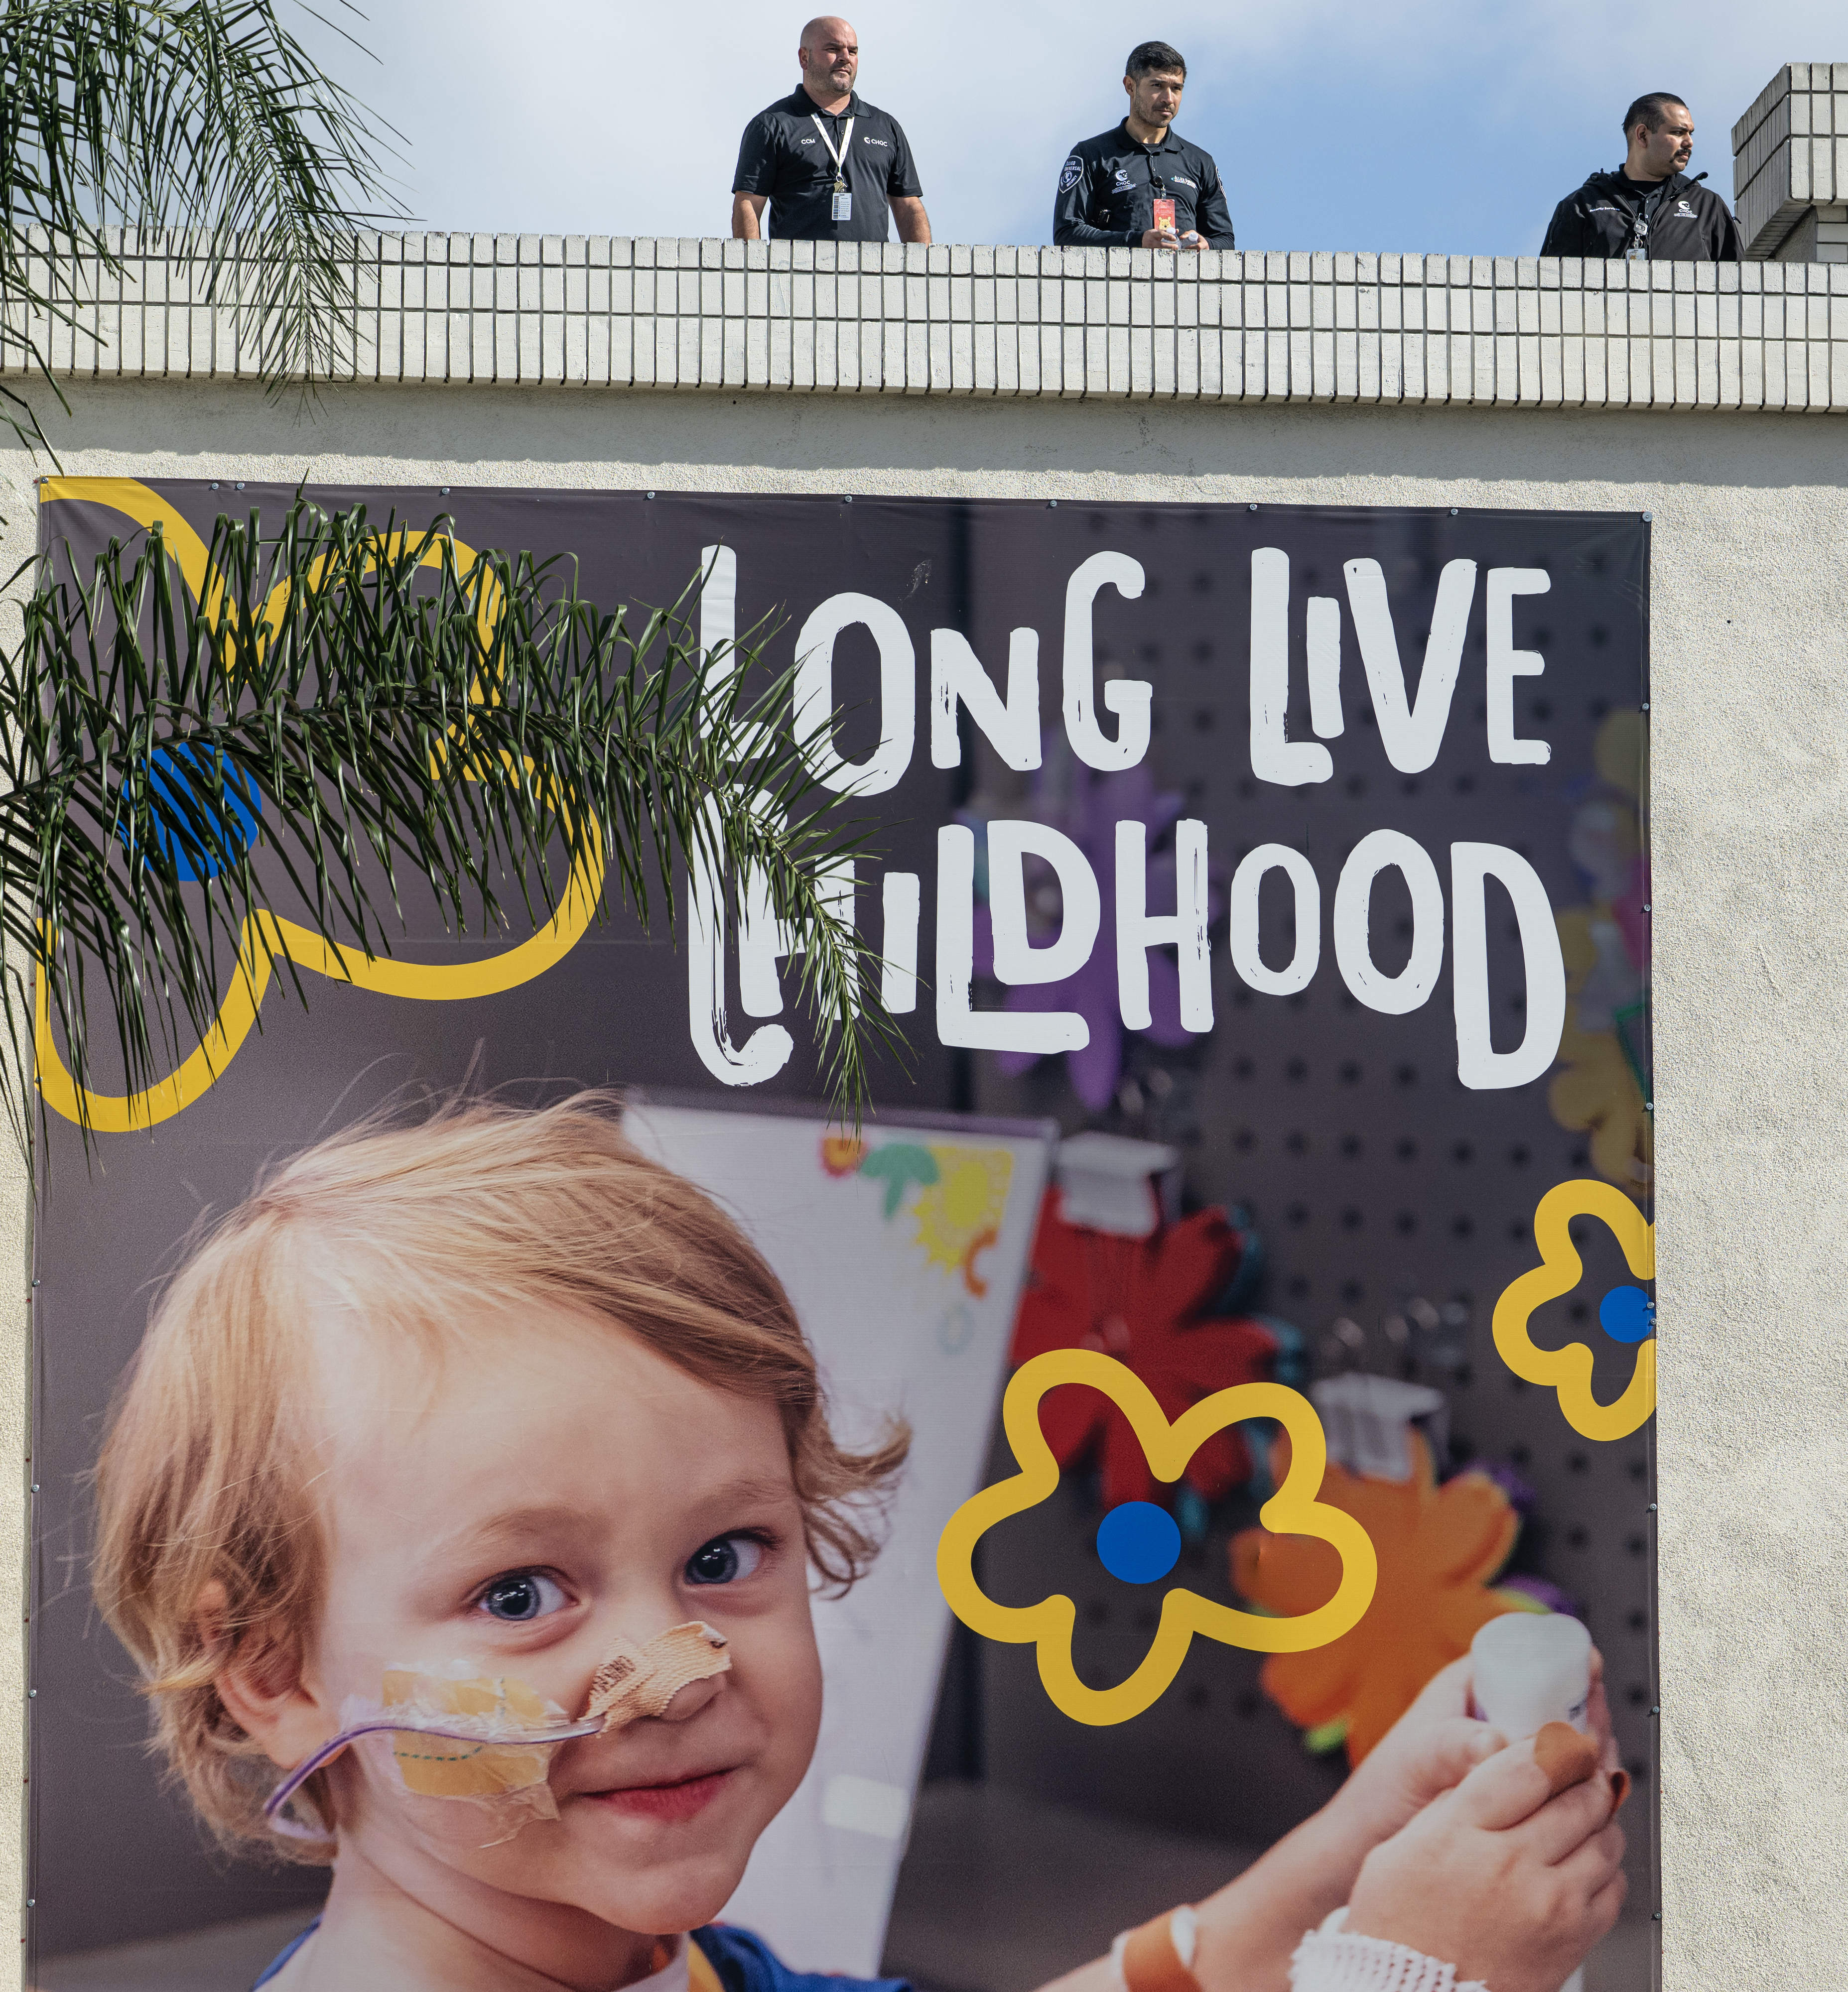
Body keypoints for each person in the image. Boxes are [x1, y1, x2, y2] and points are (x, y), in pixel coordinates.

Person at [89, 1094, 1625, 1992]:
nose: (678, 1667)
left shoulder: (642, 1956)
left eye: (722, 1556)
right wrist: (1401, 1971)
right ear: (274, 1671)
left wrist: (1341, 1861)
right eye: (522, 1591)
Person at [732, 16, 929, 246]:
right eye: (833, 49)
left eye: (853, 51)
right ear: (804, 58)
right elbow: (748, 204)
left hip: (875, 267)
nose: (845, 57)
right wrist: (754, 264)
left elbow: (909, 206)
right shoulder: (772, 125)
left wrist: (923, 265)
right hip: (796, 267)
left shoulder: (885, 126)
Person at [1054, 41, 1235, 252]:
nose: (1168, 99)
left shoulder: (1201, 162)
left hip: (1185, 276)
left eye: (1176, 88)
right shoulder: (1091, 155)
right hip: (1115, 275)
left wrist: (1207, 245)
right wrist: (1136, 241)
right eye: (1157, 86)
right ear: (1130, 86)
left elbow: (1225, 239)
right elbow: (1067, 233)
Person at [1542, 93, 1742, 260]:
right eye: (1678, 132)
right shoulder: (1583, 205)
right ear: (1643, 135)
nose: (1689, 142)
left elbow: (1737, 285)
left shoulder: (1707, 206)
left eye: (1690, 133)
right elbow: (1553, 286)